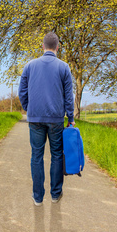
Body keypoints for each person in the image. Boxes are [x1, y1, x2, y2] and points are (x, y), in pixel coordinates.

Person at [18, 32, 75, 206]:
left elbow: (22, 92)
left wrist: (29, 108)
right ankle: (55, 194)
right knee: (57, 155)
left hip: (35, 119)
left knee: (37, 156)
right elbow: (68, 96)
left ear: (42, 46)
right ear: (57, 47)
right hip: (56, 119)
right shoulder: (64, 67)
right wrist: (70, 117)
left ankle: (37, 197)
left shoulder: (29, 66)